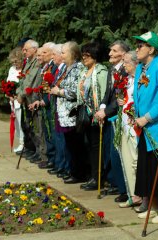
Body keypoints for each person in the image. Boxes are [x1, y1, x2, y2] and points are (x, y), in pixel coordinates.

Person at [132, 31, 158, 223]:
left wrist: (146, 118)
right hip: (144, 127)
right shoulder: (142, 67)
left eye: (141, 46)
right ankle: (156, 206)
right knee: (148, 168)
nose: (137, 49)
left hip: (156, 127)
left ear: (151, 49)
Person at [94, 40, 129, 202]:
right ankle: (115, 182)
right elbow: (108, 93)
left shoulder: (126, 70)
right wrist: (101, 108)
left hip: (119, 115)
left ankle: (123, 187)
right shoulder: (111, 70)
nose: (110, 54)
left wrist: (106, 111)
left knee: (118, 152)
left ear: (123, 54)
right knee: (110, 150)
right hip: (108, 115)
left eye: (114, 51)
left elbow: (121, 96)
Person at [50, 41, 86, 184]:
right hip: (63, 112)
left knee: (76, 144)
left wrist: (59, 91)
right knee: (69, 143)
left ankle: (78, 173)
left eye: (64, 52)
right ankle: (72, 170)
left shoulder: (78, 68)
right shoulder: (65, 67)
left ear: (73, 53)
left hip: (72, 113)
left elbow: (75, 91)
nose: (61, 55)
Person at [77, 42, 108, 190]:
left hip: (96, 115)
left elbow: (103, 94)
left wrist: (100, 111)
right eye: (83, 54)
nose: (84, 57)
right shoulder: (84, 71)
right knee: (88, 146)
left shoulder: (101, 71)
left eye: (87, 55)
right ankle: (92, 175)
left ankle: (98, 178)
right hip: (85, 115)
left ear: (95, 56)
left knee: (97, 147)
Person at [115, 51, 142, 207]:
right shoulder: (127, 80)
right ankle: (133, 194)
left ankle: (140, 194)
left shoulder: (140, 79)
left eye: (126, 62)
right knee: (127, 160)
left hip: (134, 126)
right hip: (125, 124)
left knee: (136, 162)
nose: (123, 65)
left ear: (135, 63)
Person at [7, 47, 24, 153]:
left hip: (21, 100)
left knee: (22, 122)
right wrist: (8, 94)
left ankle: (24, 143)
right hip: (13, 100)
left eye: (16, 61)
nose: (14, 63)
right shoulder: (12, 69)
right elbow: (8, 82)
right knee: (17, 123)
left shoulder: (24, 69)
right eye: (13, 61)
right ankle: (21, 142)